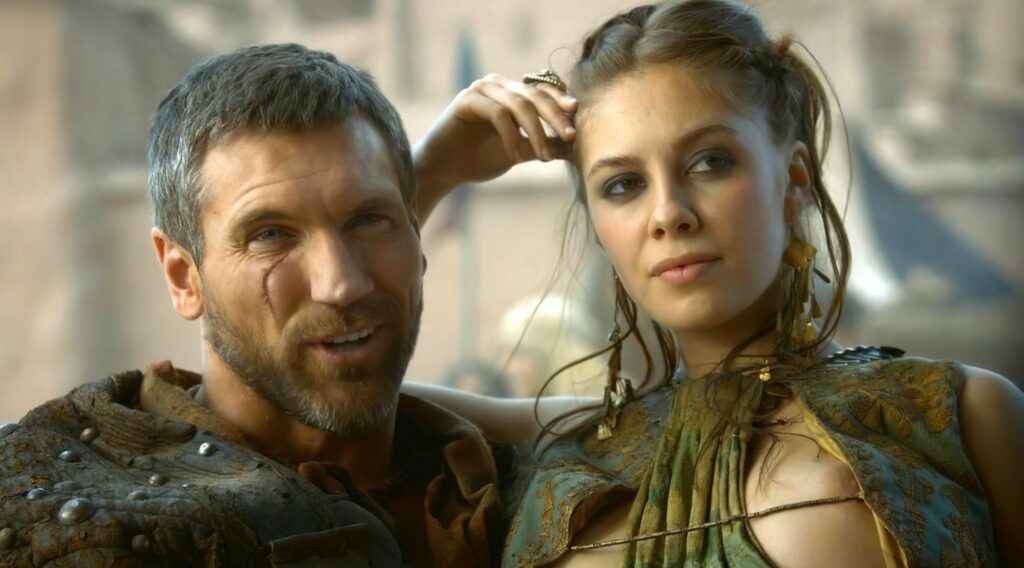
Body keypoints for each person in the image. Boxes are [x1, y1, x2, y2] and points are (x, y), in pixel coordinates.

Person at [408, 1, 1024, 566]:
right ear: (598, 225)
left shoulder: (963, 416)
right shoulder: (568, 443)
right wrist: (432, 169)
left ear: (795, 181)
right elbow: (352, 401)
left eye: (710, 162)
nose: (668, 214)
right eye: (623, 185)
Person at [0, 44, 506, 568]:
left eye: (368, 219)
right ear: (182, 277)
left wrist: (439, 167)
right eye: (270, 235)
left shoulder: (491, 478)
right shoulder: (68, 520)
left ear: (414, 233)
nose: (342, 285)